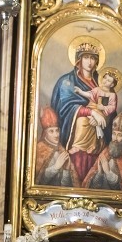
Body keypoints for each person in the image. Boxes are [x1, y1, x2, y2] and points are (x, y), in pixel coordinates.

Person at [50, 38, 108, 184]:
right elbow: (65, 107)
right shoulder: (67, 81)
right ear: (79, 60)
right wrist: (91, 113)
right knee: (82, 121)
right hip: (75, 137)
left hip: (97, 138)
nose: (89, 62)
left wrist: (101, 116)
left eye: (93, 58)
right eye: (86, 57)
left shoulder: (101, 82)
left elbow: (109, 108)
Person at [83, 111, 122, 190]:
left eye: (119, 135)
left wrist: (108, 172)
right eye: (114, 134)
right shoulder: (106, 152)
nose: (115, 138)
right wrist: (99, 173)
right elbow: (92, 187)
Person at [73, 67, 121, 140]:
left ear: (112, 85)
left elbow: (112, 107)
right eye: (105, 78)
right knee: (82, 121)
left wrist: (103, 108)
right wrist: (80, 92)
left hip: (102, 113)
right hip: (92, 109)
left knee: (94, 122)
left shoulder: (112, 95)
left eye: (108, 80)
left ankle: (96, 136)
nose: (105, 81)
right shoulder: (97, 89)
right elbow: (90, 95)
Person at [34, 105, 76, 186]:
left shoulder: (61, 149)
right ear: (45, 133)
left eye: (57, 130)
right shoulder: (39, 149)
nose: (56, 135)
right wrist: (56, 167)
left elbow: (65, 187)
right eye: (51, 131)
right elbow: (38, 182)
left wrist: (66, 171)